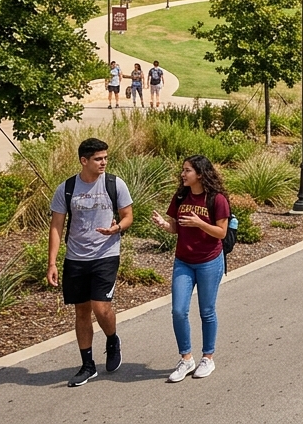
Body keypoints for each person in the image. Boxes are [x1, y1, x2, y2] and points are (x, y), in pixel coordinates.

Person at [46, 137, 134, 387]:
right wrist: (52, 262)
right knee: (81, 311)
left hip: (106, 254)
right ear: (84, 160)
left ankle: (112, 339)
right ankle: (87, 365)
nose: (103, 162)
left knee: (101, 306)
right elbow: (56, 226)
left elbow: (128, 216)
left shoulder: (114, 184)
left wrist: (117, 227)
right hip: (75, 258)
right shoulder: (66, 188)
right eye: (98, 159)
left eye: (105, 157)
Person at [148, 155, 230, 383]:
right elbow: (177, 226)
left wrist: (200, 223)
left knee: (207, 311)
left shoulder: (217, 199)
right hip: (183, 261)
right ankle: (186, 359)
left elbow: (221, 233)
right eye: (183, 170)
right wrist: (165, 225)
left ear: (200, 174)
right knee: (178, 310)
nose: (183, 174)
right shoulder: (181, 195)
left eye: (187, 170)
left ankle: (208, 358)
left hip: (209, 261)